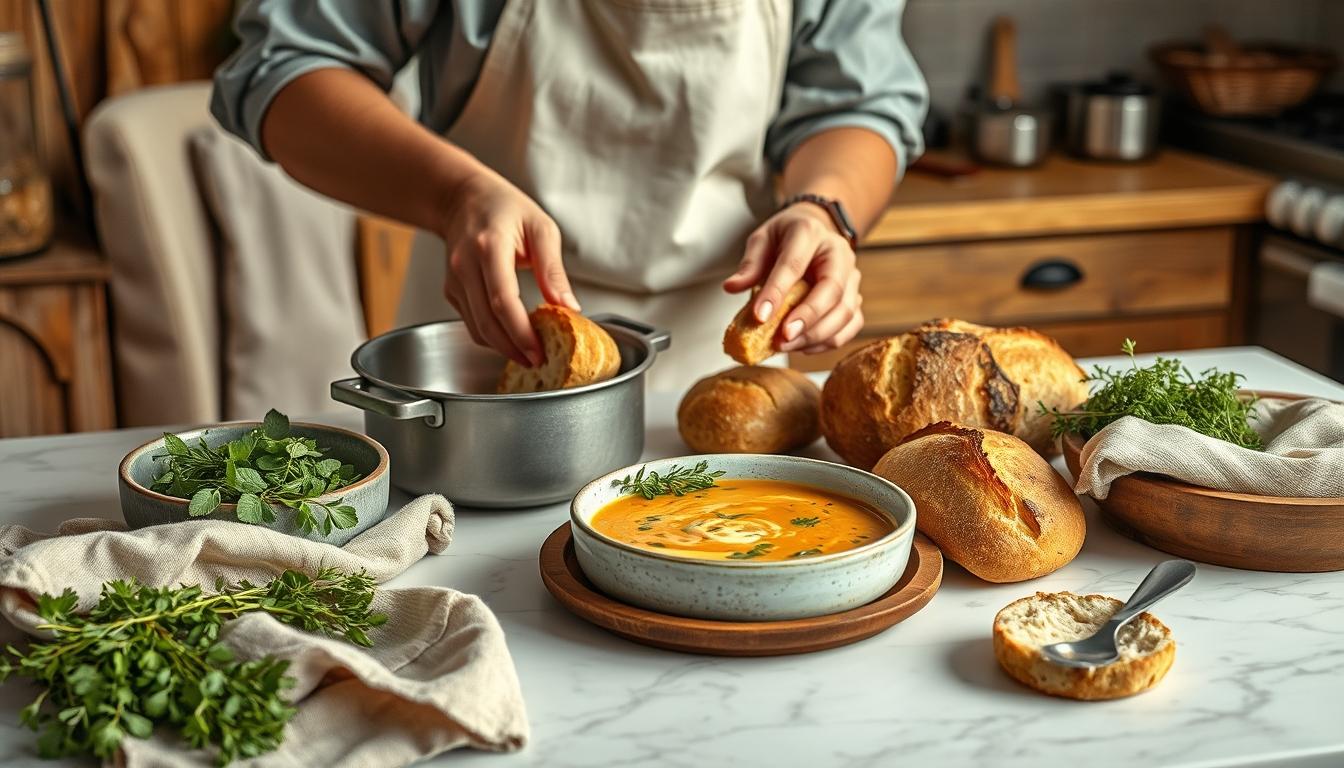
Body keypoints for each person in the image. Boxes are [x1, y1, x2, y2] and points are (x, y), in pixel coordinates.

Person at [212, 0, 927, 391]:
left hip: (724, 371)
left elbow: (857, 102)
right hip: (483, 362)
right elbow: (283, 70)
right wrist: (454, 195)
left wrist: (823, 209)